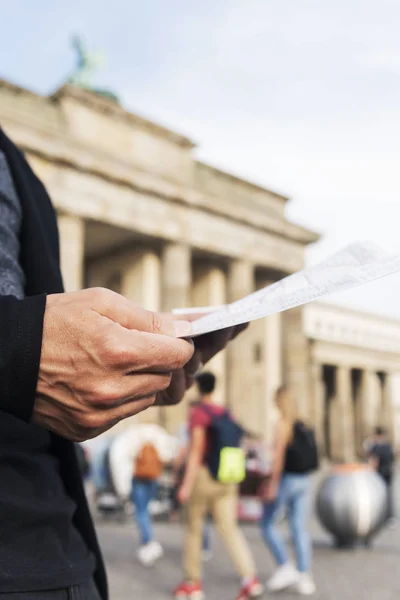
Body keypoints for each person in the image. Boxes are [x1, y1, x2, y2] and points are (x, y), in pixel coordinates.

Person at [0, 126, 246, 599]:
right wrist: (17, 348)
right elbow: (29, 341)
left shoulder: (20, 168)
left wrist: (136, 371)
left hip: (57, 553)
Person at [174, 372, 263, 600]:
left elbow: (195, 451)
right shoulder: (225, 412)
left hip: (204, 476)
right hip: (227, 476)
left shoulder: (199, 414)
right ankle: (250, 579)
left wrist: (185, 484)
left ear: (198, 387)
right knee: (230, 529)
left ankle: (192, 585)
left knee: (194, 529)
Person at [260, 386, 317, 596]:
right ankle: (305, 575)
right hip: (305, 480)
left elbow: (278, 459)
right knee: (299, 527)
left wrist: (272, 484)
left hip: (287, 480)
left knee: (267, 523)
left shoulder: (282, 425)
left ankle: (285, 566)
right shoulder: (305, 424)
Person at [110, 423, 179, 565]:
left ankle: (148, 542)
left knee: (140, 511)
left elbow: (125, 454)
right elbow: (167, 453)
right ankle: (148, 541)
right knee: (145, 509)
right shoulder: (157, 431)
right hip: (153, 477)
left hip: (139, 477)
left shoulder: (134, 432)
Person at [173, 401, 213, 560]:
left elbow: (188, 452)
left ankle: (195, 550)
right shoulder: (208, 425)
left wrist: (184, 483)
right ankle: (205, 546)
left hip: (195, 474)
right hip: (208, 472)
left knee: (193, 516)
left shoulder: (190, 426)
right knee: (203, 514)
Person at [367, 426, 396, 525]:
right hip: (388, 472)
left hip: (379, 473)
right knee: (387, 494)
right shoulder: (388, 445)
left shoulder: (375, 446)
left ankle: (378, 516)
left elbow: (373, 461)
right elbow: (393, 458)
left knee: (377, 495)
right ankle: (389, 517)